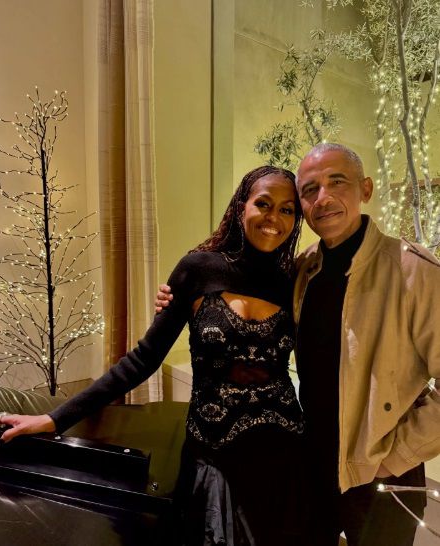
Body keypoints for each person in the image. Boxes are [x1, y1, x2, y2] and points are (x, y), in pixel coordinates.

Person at [0, 165, 306, 546]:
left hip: (283, 455)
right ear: (242, 204)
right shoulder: (198, 270)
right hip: (214, 460)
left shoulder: (296, 280)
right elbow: (142, 360)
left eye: (287, 209)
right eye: (263, 203)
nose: (274, 217)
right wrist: (55, 418)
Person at [156, 143, 440, 546]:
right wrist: (179, 298)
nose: (322, 198)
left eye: (337, 182)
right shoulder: (303, 269)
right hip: (311, 464)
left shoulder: (413, 271)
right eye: (309, 190)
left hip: (381, 477)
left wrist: (394, 458)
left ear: (366, 189)